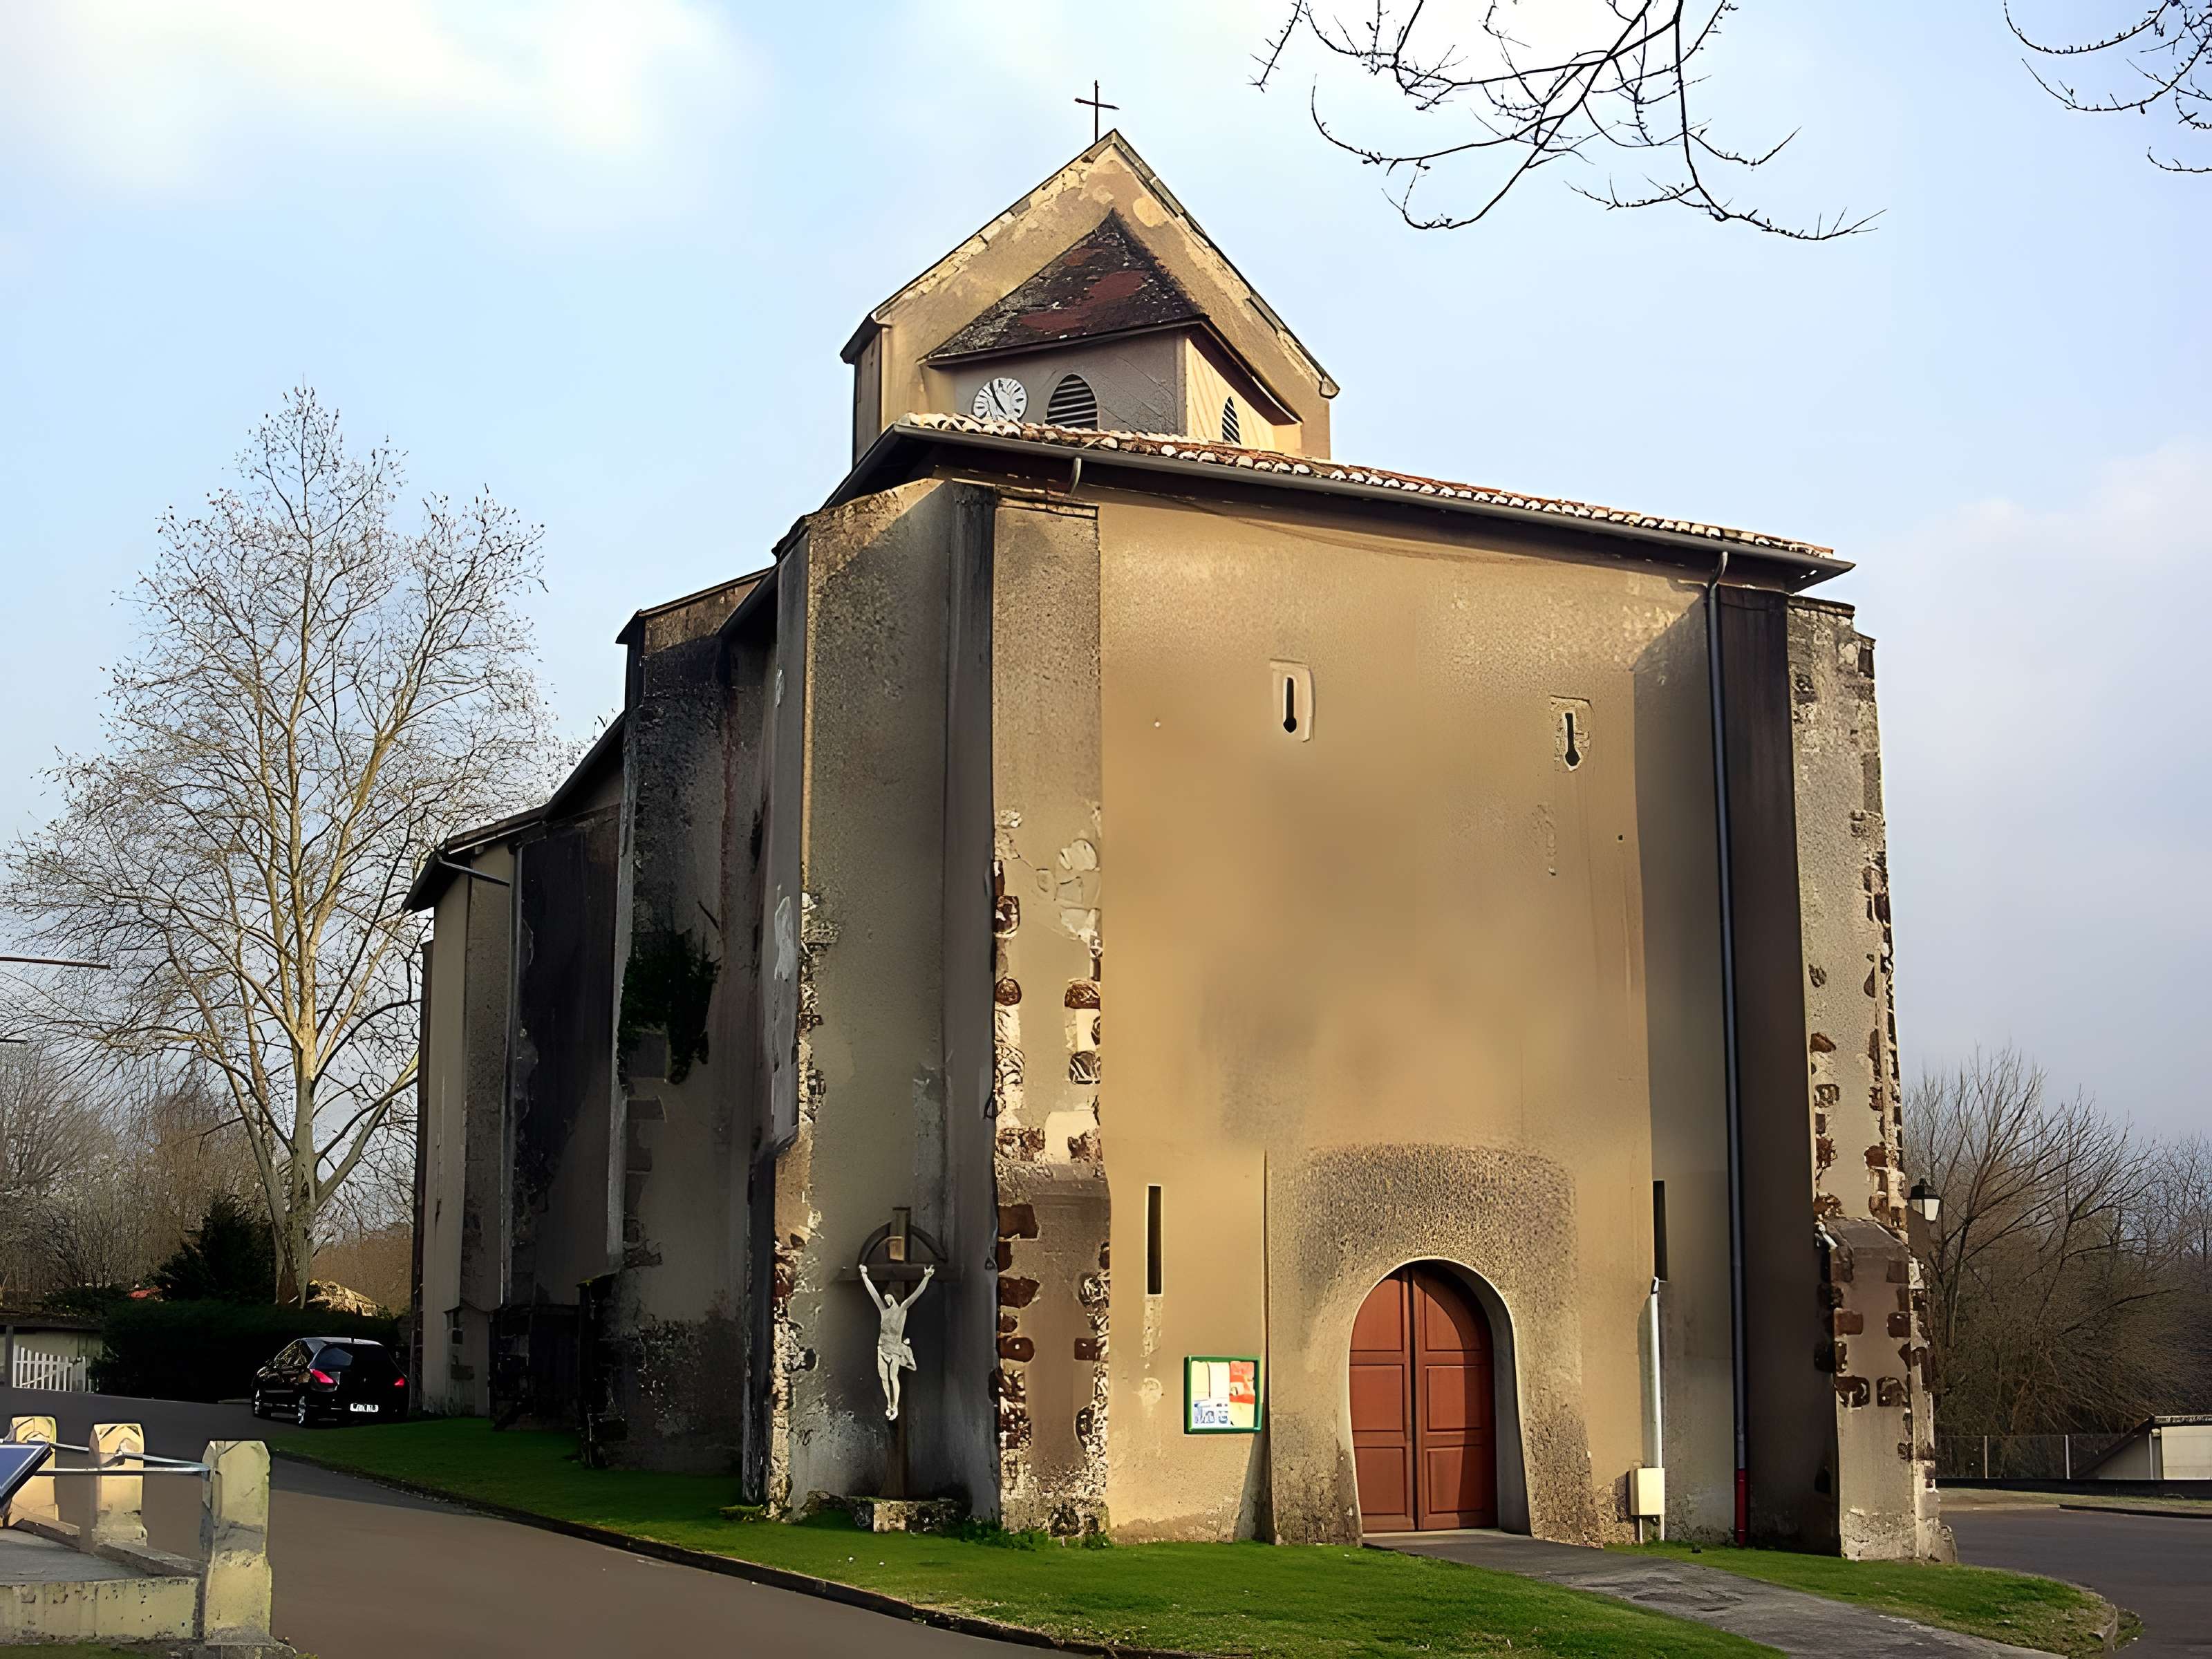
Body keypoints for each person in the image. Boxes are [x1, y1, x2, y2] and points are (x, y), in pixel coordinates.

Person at [858, 1262, 935, 1421]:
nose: (886, 1300)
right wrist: (864, 1275)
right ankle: (889, 1405)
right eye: (885, 1298)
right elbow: (873, 1293)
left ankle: (896, 1406)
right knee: (884, 1379)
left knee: (893, 1378)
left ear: (893, 1297)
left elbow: (915, 1296)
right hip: (882, 1349)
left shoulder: (902, 1311)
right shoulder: (883, 1312)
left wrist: (926, 1277)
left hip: (893, 1351)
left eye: (889, 1297)